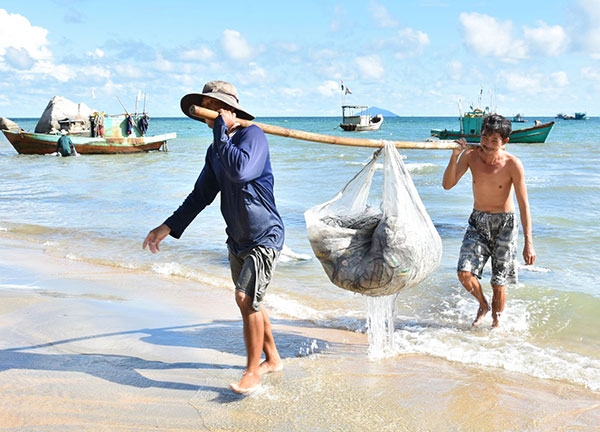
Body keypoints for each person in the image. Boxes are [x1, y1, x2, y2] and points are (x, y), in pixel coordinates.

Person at [142, 80, 284, 394]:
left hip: (264, 235)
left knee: (246, 299)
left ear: (230, 110)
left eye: (216, 108)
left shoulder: (253, 136)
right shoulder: (215, 150)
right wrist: (166, 227)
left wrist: (222, 130)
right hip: (237, 239)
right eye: (209, 110)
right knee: (251, 304)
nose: (210, 115)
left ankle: (252, 373)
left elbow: (241, 171)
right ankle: (272, 359)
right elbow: (200, 196)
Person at [442, 114, 536, 327]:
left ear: (505, 142)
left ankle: (496, 325)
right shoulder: (471, 156)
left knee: (498, 282)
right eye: (485, 137)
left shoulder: (513, 164)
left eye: (494, 140)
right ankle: (483, 304)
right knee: (464, 272)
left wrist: (529, 243)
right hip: (478, 221)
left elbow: (524, 205)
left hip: (505, 225)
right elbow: (447, 185)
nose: (487, 144)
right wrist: (455, 155)